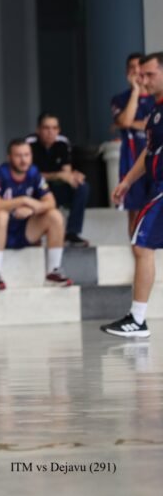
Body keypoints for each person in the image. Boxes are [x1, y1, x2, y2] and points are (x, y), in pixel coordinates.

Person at [105, 51, 163, 338]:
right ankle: (137, 319)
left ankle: (138, 320)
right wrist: (127, 180)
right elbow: (149, 151)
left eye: (150, 74)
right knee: (141, 245)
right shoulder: (155, 111)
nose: (144, 79)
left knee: (141, 244)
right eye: (141, 75)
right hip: (157, 184)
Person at [0, 139, 73, 291]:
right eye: (18, 155)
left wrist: (32, 210)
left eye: (27, 155)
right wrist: (23, 200)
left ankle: (53, 272)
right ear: (9, 157)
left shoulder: (34, 173)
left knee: (55, 216)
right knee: (1, 216)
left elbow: (51, 202)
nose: (23, 160)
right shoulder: (0, 173)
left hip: (21, 230)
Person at [25, 114, 90, 247]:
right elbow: (28, 176)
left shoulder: (62, 142)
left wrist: (73, 176)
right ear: (38, 130)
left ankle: (72, 233)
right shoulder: (29, 143)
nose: (51, 132)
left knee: (82, 186)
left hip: (55, 188)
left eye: (54, 128)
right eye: (46, 128)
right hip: (35, 190)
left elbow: (66, 172)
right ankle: (32, 234)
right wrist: (58, 175)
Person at [111, 52, 156, 237]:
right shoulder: (120, 99)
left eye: (140, 67)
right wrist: (136, 91)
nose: (136, 71)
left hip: (156, 159)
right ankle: (136, 247)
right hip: (131, 158)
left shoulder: (157, 98)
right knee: (135, 210)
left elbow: (151, 127)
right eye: (132, 68)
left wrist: (138, 124)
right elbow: (125, 121)